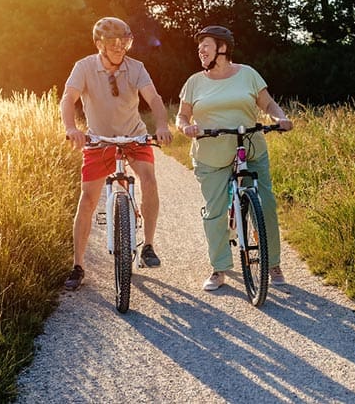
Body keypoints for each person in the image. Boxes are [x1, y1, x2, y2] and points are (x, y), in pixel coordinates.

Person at [176, 25, 293, 291]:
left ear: (222, 48)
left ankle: (272, 262)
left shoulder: (248, 74)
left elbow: (269, 104)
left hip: (249, 146)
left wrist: (280, 118)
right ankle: (219, 268)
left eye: (205, 46)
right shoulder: (194, 82)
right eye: (199, 48)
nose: (201, 52)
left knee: (265, 204)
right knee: (215, 211)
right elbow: (182, 116)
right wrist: (185, 127)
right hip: (211, 152)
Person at [61, 16, 173, 291]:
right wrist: (71, 128)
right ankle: (78, 265)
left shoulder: (136, 68)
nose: (120, 48)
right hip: (99, 140)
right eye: (114, 43)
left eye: (125, 42)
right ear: (99, 44)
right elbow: (68, 98)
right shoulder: (84, 67)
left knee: (148, 180)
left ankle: (147, 246)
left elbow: (154, 98)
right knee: (88, 199)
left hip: (133, 135)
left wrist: (161, 124)